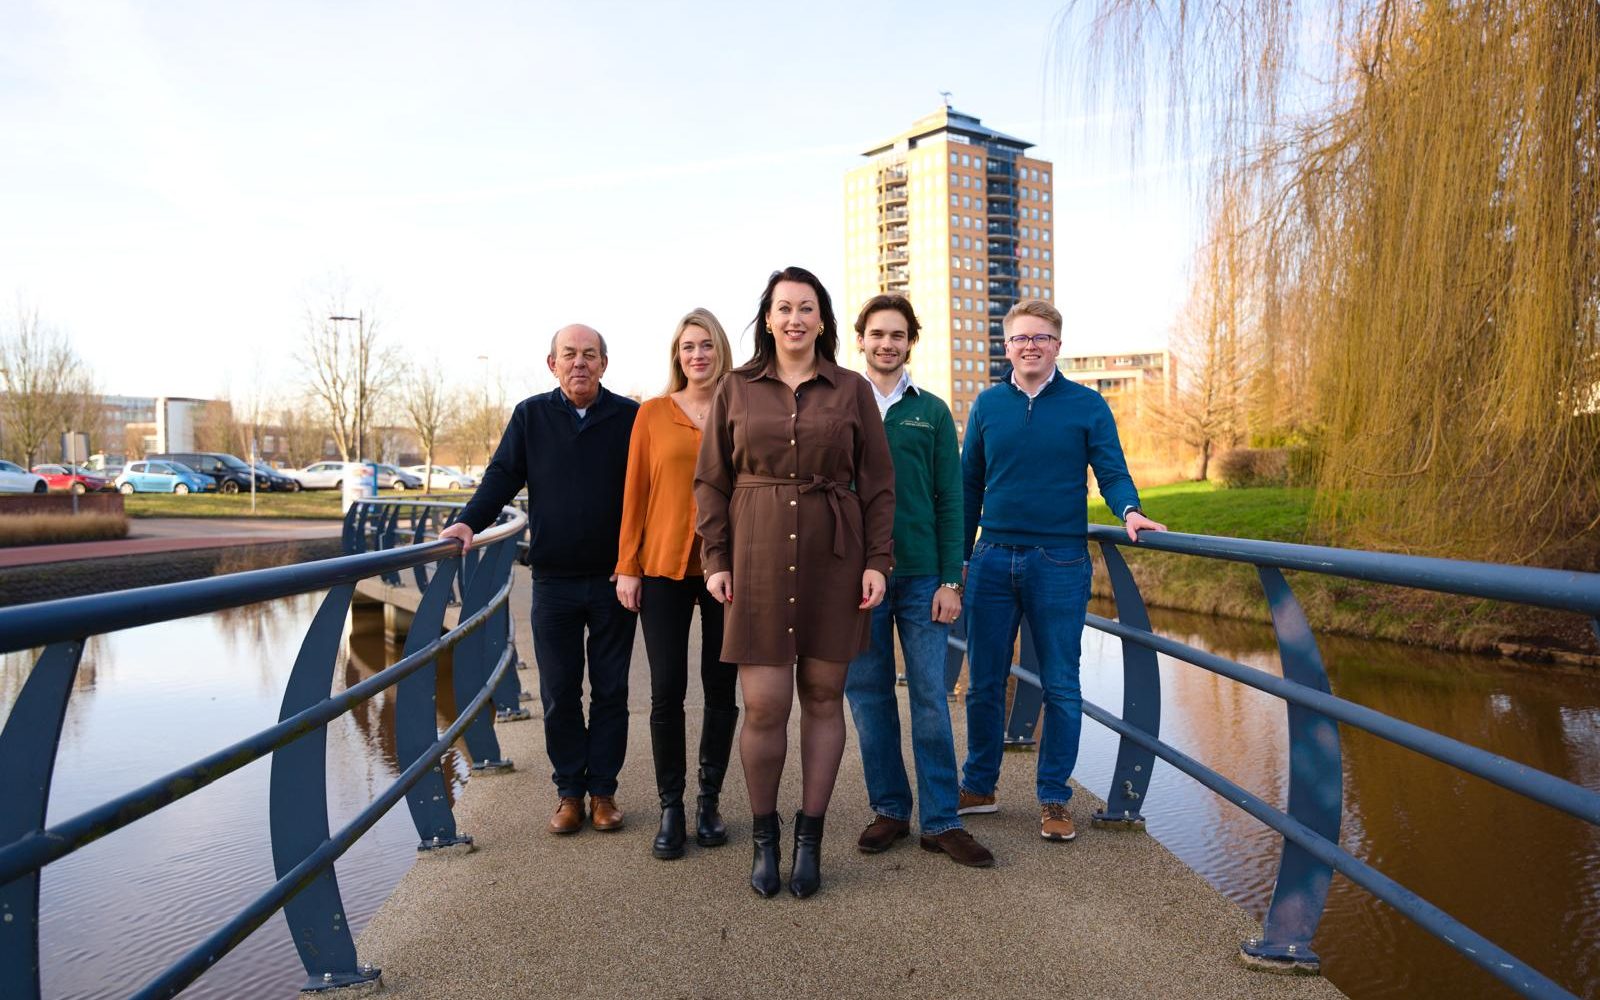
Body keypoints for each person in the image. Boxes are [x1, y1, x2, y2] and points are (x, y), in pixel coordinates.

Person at [694, 266, 895, 899]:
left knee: (822, 694)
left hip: (835, 555)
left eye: (807, 308)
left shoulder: (852, 389)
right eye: (784, 308)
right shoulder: (735, 387)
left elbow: (880, 484)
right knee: (764, 703)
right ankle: (765, 839)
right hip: (753, 556)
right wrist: (716, 558)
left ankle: (809, 839)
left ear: (823, 320)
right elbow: (710, 481)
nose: (795, 319)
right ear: (768, 317)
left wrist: (877, 561)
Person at [958, 299, 1167, 843]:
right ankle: (979, 785)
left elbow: (1112, 471)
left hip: (1060, 561)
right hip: (992, 557)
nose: (1030, 346)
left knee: (1061, 684)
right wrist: (954, 562)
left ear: (1057, 345)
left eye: (1041, 338)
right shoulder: (987, 406)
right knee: (983, 680)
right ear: (1005, 346)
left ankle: (1054, 797)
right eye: (1019, 338)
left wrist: (1130, 510)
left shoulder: (1087, 405)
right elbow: (968, 489)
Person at [442, 324, 640, 837]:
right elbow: (502, 476)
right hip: (553, 582)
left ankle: (604, 794)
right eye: (569, 355)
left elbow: (650, 491)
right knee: (558, 691)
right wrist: (468, 522)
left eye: (589, 355)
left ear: (604, 363)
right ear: (552, 364)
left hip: (614, 580)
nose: (580, 363)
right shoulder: (531, 415)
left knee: (612, 691)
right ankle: (569, 793)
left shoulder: (629, 419)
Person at [843, 294, 994, 868]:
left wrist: (953, 579)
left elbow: (951, 499)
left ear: (910, 342)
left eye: (898, 335)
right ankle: (889, 810)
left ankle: (942, 821)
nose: (887, 343)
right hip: (858, 579)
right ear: (860, 339)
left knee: (931, 696)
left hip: (922, 575)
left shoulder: (928, 411)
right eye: (877, 334)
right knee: (868, 697)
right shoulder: (841, 407)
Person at [614, 308, 740, 861]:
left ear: (720, 352)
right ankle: (671, 805)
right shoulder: (652, 414)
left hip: (727, 569)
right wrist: (627, 565)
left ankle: (708, 801)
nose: (698, 355)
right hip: (662, 566)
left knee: (721, 687)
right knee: (666, 690)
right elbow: (635, 493)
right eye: (689, 346)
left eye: (707, 345)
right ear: (677, 355)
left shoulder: (741, 409)